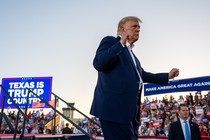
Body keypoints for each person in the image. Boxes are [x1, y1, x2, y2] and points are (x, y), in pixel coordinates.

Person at [90, 16, 179, 140]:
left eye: (139, 27)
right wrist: (121, 43)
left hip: (130, 113)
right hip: (114, 109)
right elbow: (99, 63)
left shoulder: (133, 57)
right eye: (134, 26)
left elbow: (142, 75)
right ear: (122, 29)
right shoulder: (110, 41)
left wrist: (167, 76)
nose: (138, 30)